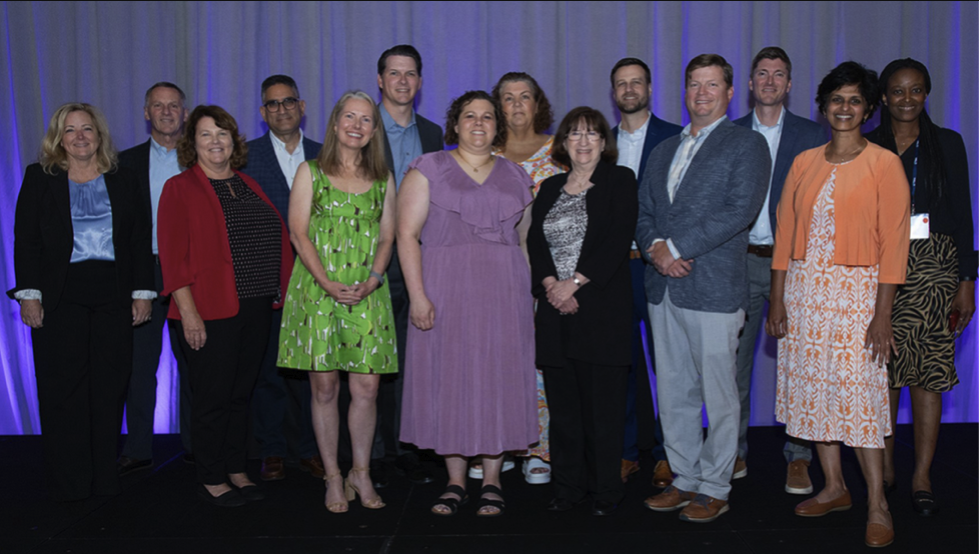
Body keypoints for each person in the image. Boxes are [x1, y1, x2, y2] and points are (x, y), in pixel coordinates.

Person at [767, 61, 910, 548]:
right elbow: (785, 234)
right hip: (805, 295)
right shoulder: (804, 161)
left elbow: (895, 244)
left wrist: (883, 314)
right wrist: (778, 299)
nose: (844, 108)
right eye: (836, 99)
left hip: (858, 298)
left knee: (860, 399)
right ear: (824, 106)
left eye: (854, 100)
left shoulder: (884, 164)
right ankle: (834, 487)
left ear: (868, 110)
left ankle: (877, 502)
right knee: (814, 396)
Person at [638, 54, 770, 523]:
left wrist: (673, 247)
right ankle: (685, 478)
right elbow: (644, 211)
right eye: (694, 84)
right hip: (663, 289)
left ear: (731, 93)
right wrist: (655, 247)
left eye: (712, 85)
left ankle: (715, 485)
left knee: (720, 394)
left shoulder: (747, 145)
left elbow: (739, 210)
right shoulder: (662, 150)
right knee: (674, 391)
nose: (702, 93)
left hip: (714, 288)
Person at [398, 91, 537, 517]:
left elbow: (524, 241)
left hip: (504, 293)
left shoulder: (516, 175)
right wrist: (418, 295)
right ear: (454, 125)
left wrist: (528, 297)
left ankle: (492, 480)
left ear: (498, 126)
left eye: (488, 117)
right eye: (469, 116)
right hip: (445, 290)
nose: (479, 123)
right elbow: (406, 236)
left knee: (498, 381)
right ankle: (456, 481)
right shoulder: (428, 169)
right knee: (450, 380)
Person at [9, 102, 154, 502]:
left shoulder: (123, 178)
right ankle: (70, 483)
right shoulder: (39, 178)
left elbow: (140, 238)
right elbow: (26, 241)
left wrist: (143, 292)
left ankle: (104, 478)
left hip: (113, 295)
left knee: (109, 389)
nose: (79, 137)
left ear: (99, 134)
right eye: (69, 130)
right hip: (59, 297)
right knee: (63, 391)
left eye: (86, 129)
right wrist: (29, 296)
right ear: (58, 138)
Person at [158, 105, 292, 507]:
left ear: (234, 141)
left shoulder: (248, 183)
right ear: (192, 143)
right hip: (207, 311)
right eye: (205, 134)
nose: (215, 141)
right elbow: (173, 257)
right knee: (213, 397)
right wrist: (190, 313)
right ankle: (211, 475)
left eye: (222, 134)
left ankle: (236, 468)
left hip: (254, 307)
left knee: (240, 395)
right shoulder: (179, 188)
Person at [277, 91, 398, 513]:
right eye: (350, 116)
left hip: (368, 291)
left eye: (366, 120)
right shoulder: (310, 172)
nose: (357, 125)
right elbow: (298, 233)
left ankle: (360, 472)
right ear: (334, 123)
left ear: (373, 131)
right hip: (317, 289)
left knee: (366, 386)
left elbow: (388, 235)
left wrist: (374, 278)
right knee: (324, 386)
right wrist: (327, 282)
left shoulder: (384, 177)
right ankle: (332, 476)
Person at [866, 58, 976, 517]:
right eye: (897, 91)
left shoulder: (948, 143)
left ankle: (922, 475)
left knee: (927, 374)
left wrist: (967, 280)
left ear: (926, 94)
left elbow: (964, 215)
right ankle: (887, 466)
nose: (906, 99)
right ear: (884, 97)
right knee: (884, 369)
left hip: (935, 269)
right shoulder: (869, 144)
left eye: (915, 90)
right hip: (879, 267)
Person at [528, 107, 637, 516]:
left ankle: (607, 490)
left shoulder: (620, 180)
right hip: (554, 311)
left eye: (593, 134)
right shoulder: (551, 187)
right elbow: (536, 246)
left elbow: (617, 240)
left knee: (604, 412)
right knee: (565, 411)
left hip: (602, 311)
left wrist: (573, 283)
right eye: (575, 134)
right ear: (563, 143)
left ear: (604, 141)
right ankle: (567, 487)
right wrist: (551, 287)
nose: (584, 141)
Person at [731, 47, 825, 492]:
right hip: (741, 262)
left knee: (801, 364)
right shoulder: (726, 135)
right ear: (750, 84)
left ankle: (800, 455)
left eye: (779, 74)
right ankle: (732, 450)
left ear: (790, 85)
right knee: (733, 364)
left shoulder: (814, 136)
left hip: (799, 267)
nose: (769, 81)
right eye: (762, 74)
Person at [244, 74, 323, 482]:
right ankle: (272, 449)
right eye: (272, 104)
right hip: (266, 276)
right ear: (262, 112)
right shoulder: (245, 156)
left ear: (302, 105)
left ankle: (311, 449)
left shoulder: (326, 154)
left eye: (288, 101)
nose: (282, 109)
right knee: (269, 369)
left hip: (317, 278)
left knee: (314, 370)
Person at [608, 57, 682, 488]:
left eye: (637, 82)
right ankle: (630, 450)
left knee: (669, 365)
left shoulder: (674, 137)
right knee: (625, 366)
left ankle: (672, 455)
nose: (630, 90)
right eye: (622, 84)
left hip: (660, 268)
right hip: (615, 271)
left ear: (650, 88)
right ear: (614, 92)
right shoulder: (600, 143)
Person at [373, 44, 443, 487]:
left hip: (421, 257)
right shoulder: (361, 127)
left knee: (418, 356)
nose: (402, 81)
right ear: (380, 80)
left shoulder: (435, 135)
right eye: (394, 73)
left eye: (410, 74)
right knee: (374, 359)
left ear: (419, 81)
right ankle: (375, 452)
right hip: (371, 260)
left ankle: (411, 445)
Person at [491, 71, 565, 485]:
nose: (517, 105)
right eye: (507, 98)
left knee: (542, 361)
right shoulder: (482, 151)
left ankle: (540, 448)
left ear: (538, 104)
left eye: (525, 97)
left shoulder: (560, 152)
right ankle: (497, 443)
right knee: (497, 360)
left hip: (549, 275)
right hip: (494, 275)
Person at [117, 82, 195, 474]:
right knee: (139, 363)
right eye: (158, 106)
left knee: (195, 359)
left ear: (185, 112)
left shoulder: (204, 158)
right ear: (146, 113)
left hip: (191, 271)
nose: (166, 112)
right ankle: (139, 447)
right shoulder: (122, 163)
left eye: (174, 105)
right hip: (144, 271)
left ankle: (198, 444)